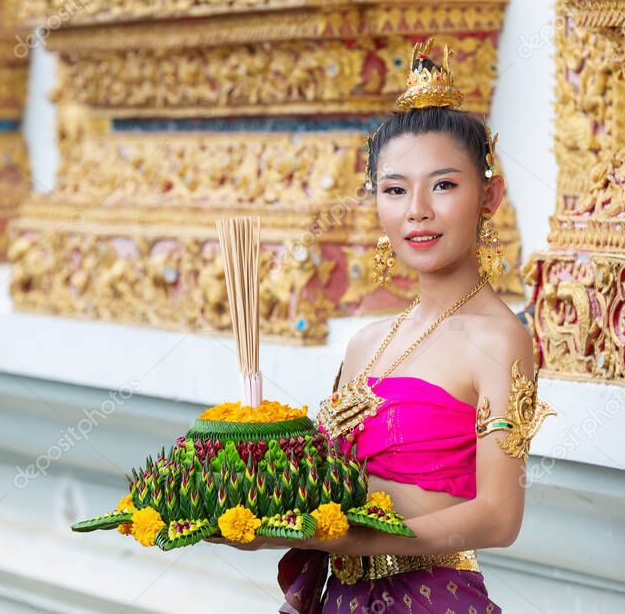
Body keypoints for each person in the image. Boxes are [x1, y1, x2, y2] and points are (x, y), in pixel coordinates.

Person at [209, 38, 555, 614]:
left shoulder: (501, 339)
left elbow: (499, 517)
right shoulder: (367, 341)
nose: (417, 209)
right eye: (395, 189)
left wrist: (356, 537)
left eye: (443, 184)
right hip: (341, 598)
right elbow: (328, 496)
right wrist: (257, 511)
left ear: (489, 194)